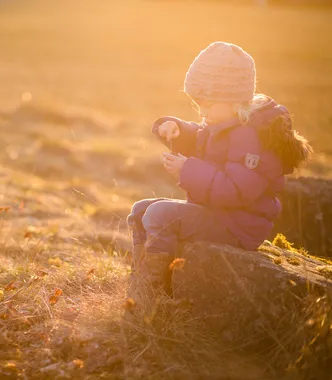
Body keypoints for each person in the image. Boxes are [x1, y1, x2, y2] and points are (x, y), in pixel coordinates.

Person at [127, 41, 312, 301]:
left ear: (235, 100)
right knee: (141, 210)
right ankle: (141, 279)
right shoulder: (226, 122)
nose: (202, 112)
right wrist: (176, 128)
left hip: (237, 223)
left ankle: (156, 296)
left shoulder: (251, 137)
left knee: (159, 214)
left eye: (209, 105)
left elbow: (236, 191)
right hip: (217, 213)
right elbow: (204, 140)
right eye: (198, 104)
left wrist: (187, 169)